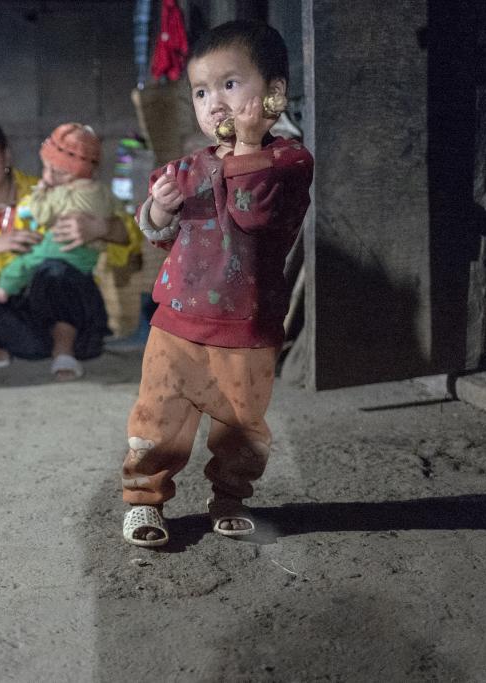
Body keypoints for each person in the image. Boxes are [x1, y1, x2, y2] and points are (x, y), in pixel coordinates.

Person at [120, 21, 314, 547]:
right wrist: (158, 207)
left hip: (247, 324)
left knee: (240, 428)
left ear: (274, 93)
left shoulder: (288, 163)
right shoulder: (189, 166)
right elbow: (161, 234)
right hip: (176, 321)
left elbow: (253, 218)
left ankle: (228, 497)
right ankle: (144, 500)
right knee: (157, 419)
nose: (214, 104)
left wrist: (249, 145)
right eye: (202, 92)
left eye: (230, 84)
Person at [0, 115, 141, 381]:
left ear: (6, 155)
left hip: (67, 317)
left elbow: (133, 234)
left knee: (55, 268)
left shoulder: (49, 190)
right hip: (9, 320)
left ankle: (63, 350)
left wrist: (102, 228)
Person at [0, 123, 121, 307]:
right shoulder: (103, 191)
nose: (49, 176)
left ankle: (3, 291)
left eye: (57, 172)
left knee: (25, 262)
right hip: (89, 258)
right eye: (46, 168)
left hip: (61, 247)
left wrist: (41, 191)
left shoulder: (64, 193)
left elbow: (41, 215)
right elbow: (116, 210)